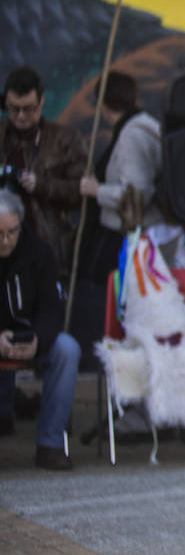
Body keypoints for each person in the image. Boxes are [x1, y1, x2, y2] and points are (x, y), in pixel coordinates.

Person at [0, 190, 80, 470]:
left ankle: (50, 444)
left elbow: (51, 309)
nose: (6, 240)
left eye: (12, 232)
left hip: (30, 338)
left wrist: (37, 339)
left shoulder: (38, 252)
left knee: (67, 350)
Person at [79, 72, 185, 273]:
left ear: (103, 104)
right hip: (144, 234)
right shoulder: (144, 125)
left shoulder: (132, 135)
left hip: (132, 237)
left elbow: (137, 194)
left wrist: (97, 190)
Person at [1, 66, 86, 277]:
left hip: (47, 245)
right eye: (14, 109)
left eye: (29, 109)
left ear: (41, 102)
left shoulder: (66, 138)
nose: (21, 116)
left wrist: (42, 185)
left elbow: (82, 192)